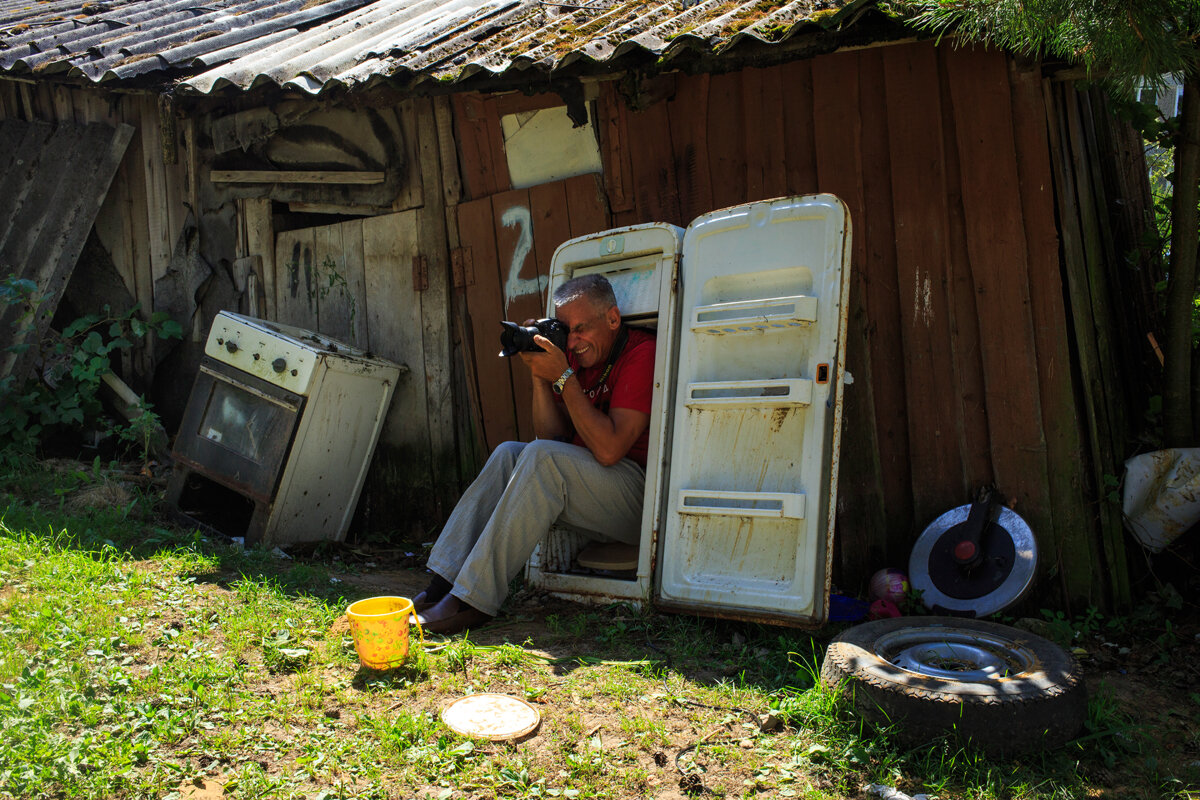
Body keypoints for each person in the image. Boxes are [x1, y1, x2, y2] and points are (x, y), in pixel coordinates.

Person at [414, 274, 655, 634]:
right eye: (566, 331)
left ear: (613, 319)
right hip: (592, 490)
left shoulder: (641, 353)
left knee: (542, 458)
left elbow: (609, 450)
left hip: (637, 499)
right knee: (509, 453)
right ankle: (440, 586)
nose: (573, 342)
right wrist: (541, 376)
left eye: (581, 330)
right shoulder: (576, 362)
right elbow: (551, 435)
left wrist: (563, 377)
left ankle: (471, 601)